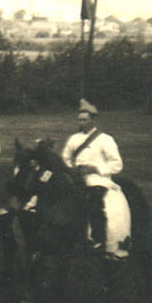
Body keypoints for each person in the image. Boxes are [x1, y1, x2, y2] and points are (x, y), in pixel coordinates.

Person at [62, 99, 125, 257]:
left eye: (85, 120)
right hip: (77, 178)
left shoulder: (105, 139)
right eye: (79, 120)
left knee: (94, 202)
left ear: (93, 120)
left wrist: (96, 168)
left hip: (97, 180)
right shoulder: (74, 139)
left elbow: (117, 164)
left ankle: (99, 239)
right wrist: (72, 168)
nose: (81, 123)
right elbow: (66, 157)